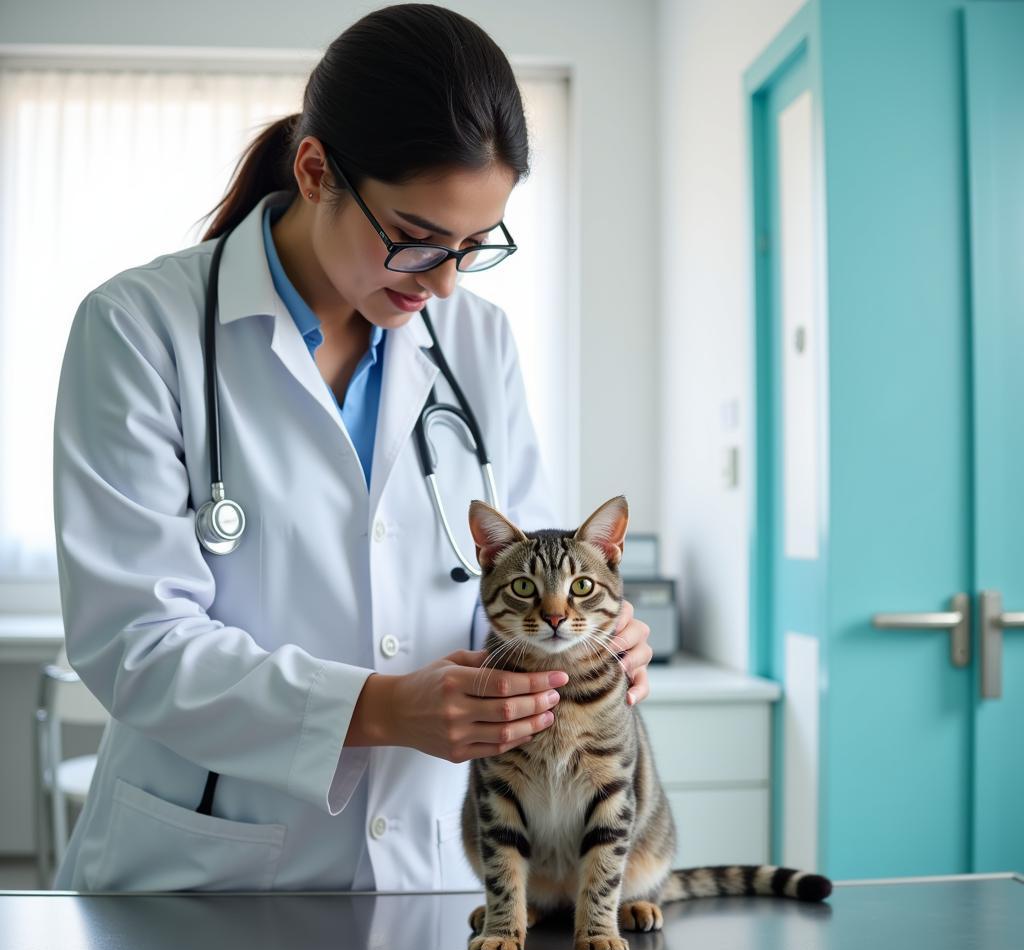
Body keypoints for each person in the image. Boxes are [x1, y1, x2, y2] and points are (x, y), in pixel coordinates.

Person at [51, 3, 652, 893]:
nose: (443, 282)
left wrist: (592, 641)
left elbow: (517, 580)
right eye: (415, 241)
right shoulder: (141, 329)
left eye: (473, 247)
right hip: (208, 875)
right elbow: (133, 643)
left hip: (436, 875)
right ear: (316, 170)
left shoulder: (476, 342)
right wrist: (374, 709)